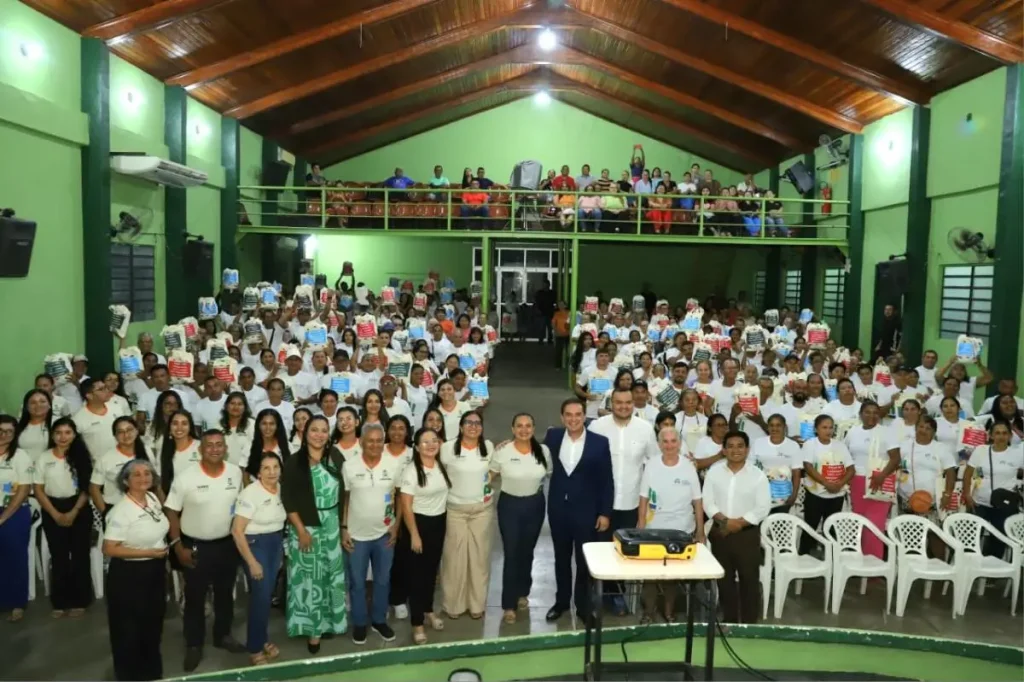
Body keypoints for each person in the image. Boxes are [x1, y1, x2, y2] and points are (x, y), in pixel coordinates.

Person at [164, 430, 246, 672]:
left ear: (225, 448)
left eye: (219, 445)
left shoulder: (234, 473)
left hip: (227, 544)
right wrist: (177, 545)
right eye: (209, 445)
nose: (214, 449)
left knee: (224, 594)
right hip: (194, 545)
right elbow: (171, 511)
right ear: (200, 450)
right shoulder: (185, 477)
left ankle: (223, 635)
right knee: (195, 598)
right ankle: (194, 644)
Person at [588, 386, 660, 613]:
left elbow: (653, 464)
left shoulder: (645, 429)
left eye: (627, 403)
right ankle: (598, 595)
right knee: (601, 550)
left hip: (631, 502)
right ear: (611, 404)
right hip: (601, 503)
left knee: (623, 551)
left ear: (634, 403)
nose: (623, 407)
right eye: (618, 403)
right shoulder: (597, 427)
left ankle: (617, 595)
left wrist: (646, 508)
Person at [281, 415, 347, 652]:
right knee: (310, 580)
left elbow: (345, 494)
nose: (319, 435)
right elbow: (287, 499)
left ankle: (330, 623)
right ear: (305, 433)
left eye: (323, 430)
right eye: (314, 430)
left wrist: (342, 527)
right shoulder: (294, 462)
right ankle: (312, 631)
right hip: (306, 525)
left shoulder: (336, 457)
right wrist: (300, 530)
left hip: (331, 525)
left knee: (331, 576)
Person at [543, 398, 613, 621]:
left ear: (585, 416)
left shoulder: (599, 443)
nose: (573, 419)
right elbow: (531, 452)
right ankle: (562, 601)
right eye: (568, 415)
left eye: (578, 414)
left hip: (587, 512)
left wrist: (604, 512)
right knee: (561, 558)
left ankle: (583, 606)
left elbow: (606, 480)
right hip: (558, 510)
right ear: (562, 417)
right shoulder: (552, 438)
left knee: (584, 561)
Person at [102, 459, 169, 681]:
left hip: (154, 571)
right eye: (137, 474)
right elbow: (109, 548)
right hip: (129, 576)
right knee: (128, 630)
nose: (143, 478)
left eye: (147, 473)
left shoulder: (151, 498)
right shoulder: (121, 511)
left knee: (152, 624)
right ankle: (129, 675)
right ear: (126, 480)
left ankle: (151, 672)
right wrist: (149, 553)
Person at [637, 426, 704, 623]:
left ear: (680, 443)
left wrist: (700, 531)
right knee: (650, 576)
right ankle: (648, 613)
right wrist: (641, 525)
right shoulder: (651, 465)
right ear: (659, 444)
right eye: (665, 442)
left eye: (673, 441)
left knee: (672, 577)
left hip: (682, 529)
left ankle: (669, 613)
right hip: (654, 529)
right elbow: (643, 498)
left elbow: (698, 502)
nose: (669, 446)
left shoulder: (689, 466)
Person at [488, 413, 550, 623]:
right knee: (511, 552)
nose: (524, 430)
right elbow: (488, 476)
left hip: (535, 505)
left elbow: (549, 474)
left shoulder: (543, 451)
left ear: (533, 428)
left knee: (527, 551)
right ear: (512, 429)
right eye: (519, 426)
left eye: (528, 426)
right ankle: (508, 605)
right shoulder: (503, 451)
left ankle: (523, 591)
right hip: (510, 506)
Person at [703, 431, 770, 623]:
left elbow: (763, 507)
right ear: (723, 450)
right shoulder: (714, 473)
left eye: (740, 446)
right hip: (720, 532)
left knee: (749, 580)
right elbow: (708, 502)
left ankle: (749, 624)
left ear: (747, 449)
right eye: (730, 446)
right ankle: (729, 621)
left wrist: (738, 524)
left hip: (747, 535)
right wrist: (725, 521)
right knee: (725, 581)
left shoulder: (758, 476)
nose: (735, 450)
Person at [341, 423, 399, 643]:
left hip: (385, 534)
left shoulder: (393, 465)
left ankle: (379, 620)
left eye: (378, 440)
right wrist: (344, 528)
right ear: (362, 442)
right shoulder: (349, 466)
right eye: (370, 440)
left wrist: (396, 525)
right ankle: (359, 623)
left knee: (383, 580)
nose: (374, 444)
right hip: (356, 536)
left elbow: (400, 497)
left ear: (382, 443)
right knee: (357, 582)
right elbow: (345, 499)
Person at [32, 417, 93, 617]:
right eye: (58, 433)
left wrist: (74, 512)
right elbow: (38, 490)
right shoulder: (44, 458)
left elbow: (86, 489)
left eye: (67, 433)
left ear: (74, 435)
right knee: (59, 557)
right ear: (52, 435)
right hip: (52, 507)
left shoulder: (82, 458)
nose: (63, 437)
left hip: (79, 508)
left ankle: (80, 599)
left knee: (79, 556)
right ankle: (60, 601)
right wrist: (55, 513)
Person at [231, 451, 286, 666]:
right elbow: (237, 531)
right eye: (266, 468)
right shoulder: (250, 494)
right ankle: (254, 647)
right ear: (258, 472)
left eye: (275, 467)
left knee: (265, 596)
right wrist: (252, 562)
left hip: (275, 543)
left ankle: (262, 639)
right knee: (260, 597)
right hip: (255, 545)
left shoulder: (281, 489)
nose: (272, 472)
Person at [438, 411, 494, 619]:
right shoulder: (446, 449)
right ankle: (453, 605)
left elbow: (494, 469)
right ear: (461, 427)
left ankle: (476, 604)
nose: (473, 426)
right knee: (454, 559)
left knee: (479, 559)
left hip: (482, 510)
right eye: (468, 423)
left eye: (477, 423)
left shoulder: (487, 447)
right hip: (455, 510)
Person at [400, 427, 451, 644]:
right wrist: (414, 534)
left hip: (438, 523)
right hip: (418, 524)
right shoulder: (411, 471)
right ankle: (417, 622)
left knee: (431, 572)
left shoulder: (440, 465)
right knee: (417, 576)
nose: (431, 445)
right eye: (425, 441)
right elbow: (406, 506)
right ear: (417, 446)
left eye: (434, 440)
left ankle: (429, 610)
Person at [844, 402, 900, 558]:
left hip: (879, 482)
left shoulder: (887, 432)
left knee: (875, 525)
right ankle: (858, 561)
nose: (872, 415)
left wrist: (882, 475)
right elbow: (846, 456)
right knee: (858, 523)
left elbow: (896, 459)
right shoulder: (853, 432)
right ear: (860, 414)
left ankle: (874, 567)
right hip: (856, 482)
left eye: (875, 412)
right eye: (867, 412)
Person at [964, 420, 1024, 555]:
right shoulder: (980, 451)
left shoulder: (1017, 454)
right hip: (979, 503)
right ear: (990, 436)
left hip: (1004, 506)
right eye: (997, 433)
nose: (1001, 436)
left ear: (1010, 436)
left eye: (1004, 433)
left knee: (997, 542)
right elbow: (968, 474)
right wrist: (967, 495)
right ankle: (969, 571)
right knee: (970, 540)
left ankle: (992, 573)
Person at [800, 415, 855, 554]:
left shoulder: (840, 445)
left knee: (831, 530)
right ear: (816, 429)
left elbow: (851, 469)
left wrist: (839, 484)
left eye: (831, 427)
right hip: (815, 494)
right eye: (824, 427)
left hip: (836, 495)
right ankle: (803, 559)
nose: (828, 430)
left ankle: (831, 562)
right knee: (810, 528)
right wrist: (826, 483)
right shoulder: (810, 444)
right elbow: (808, 466)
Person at [0, 414, 33, 622]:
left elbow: (23, 489)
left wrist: (3, 518)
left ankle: (16, 602)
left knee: (15, 557)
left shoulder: (20, 456)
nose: (4, 435)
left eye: (9, 432)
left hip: (14, 511)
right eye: (0, 430)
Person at [91, 416, 155, 514]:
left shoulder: (146, 451)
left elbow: (155, 481)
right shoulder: (105, 459)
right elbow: (94, 488)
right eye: (120, 432)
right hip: (116, 509)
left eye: (129, 430)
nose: (126, 435)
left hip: (145, 508)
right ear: (115, 436)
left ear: (137, 431)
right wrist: (105, 513)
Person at [750, 414, 802, 514]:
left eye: (778, 425)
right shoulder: (758, 443)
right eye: (771, 425)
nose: (774, 428)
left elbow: (796, 472)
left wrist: (794, 494)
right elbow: (751, 467)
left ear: (784, 427)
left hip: (784, 492)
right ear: (768, 427)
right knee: (763, 523)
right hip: (762, 492)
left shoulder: (793, 446)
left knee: (780, 523)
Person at [16, 388, 53, 457]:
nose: (38, 405)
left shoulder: (56, 425)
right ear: (26, 407)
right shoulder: (17, 426)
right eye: (33, 402)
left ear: (49, 405)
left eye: (42, 401)